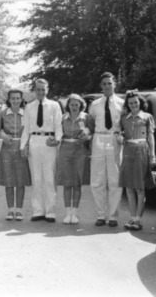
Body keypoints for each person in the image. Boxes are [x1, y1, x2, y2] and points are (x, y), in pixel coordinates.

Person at [20, 78, 63, 223]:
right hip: (34, 141)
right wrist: (23, 146)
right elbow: (26, 129)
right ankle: (38, 211)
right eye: (38, 89)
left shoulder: (54, 105)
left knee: (49, 178)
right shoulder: (29, 107)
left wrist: (57, 140)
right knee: (36, 178)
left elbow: (58, 126)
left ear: (47, 90)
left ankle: (50, 211)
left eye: (43, 89)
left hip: (49, 141)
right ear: (34, 90)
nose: (40, 92)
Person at [89, 72, 124, 227]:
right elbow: (90, 124)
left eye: (110, 83)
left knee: (115, 179)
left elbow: (124, 125)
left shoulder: (122, 103)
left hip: (114, 139)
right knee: (97, 179)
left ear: (114, 84)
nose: (107, 86)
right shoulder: (95, 104)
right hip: (99, 139)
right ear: (100, 86)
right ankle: (101, 215)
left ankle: (113, 216)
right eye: (104, 84)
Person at [119, 91, 156, 231]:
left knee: (140, 188)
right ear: (127, 105)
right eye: (130, 103)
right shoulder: (124, 118)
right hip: (128, 151)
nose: (133, 105)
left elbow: (151, 137)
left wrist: (152, 155)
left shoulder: (147, 117)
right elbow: (120, 133)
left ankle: (139, 220)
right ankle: (132, 217)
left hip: (142, 151)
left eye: (135, 102)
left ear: (140, 102)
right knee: (129, 187)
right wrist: (120, 138)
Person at [56, 94, 92, 224]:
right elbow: (58, 133)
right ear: (68, 105)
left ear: (81, 105)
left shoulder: (86, 117)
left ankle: (75, 214)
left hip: (80, 150)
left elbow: (91, 133)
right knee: (67, 183)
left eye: (77, 104)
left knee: (77, 184)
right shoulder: (62, 118)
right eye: (72, 104)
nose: (74, 107)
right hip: (65, 150)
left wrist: (86, 136)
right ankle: (67, 213)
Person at [0, 89, 31, 221]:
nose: (15, 101)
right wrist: (3, 136)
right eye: (13, 98)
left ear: (21, 99)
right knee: (9, 181)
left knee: (20, 181)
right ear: (9, 100)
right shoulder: (2, 113)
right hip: (7, 148)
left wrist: (26, 146)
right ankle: (10, 210)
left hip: (22, 147)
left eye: (18, 98)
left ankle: (19, 210)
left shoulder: (26, 114)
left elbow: (30, 131)